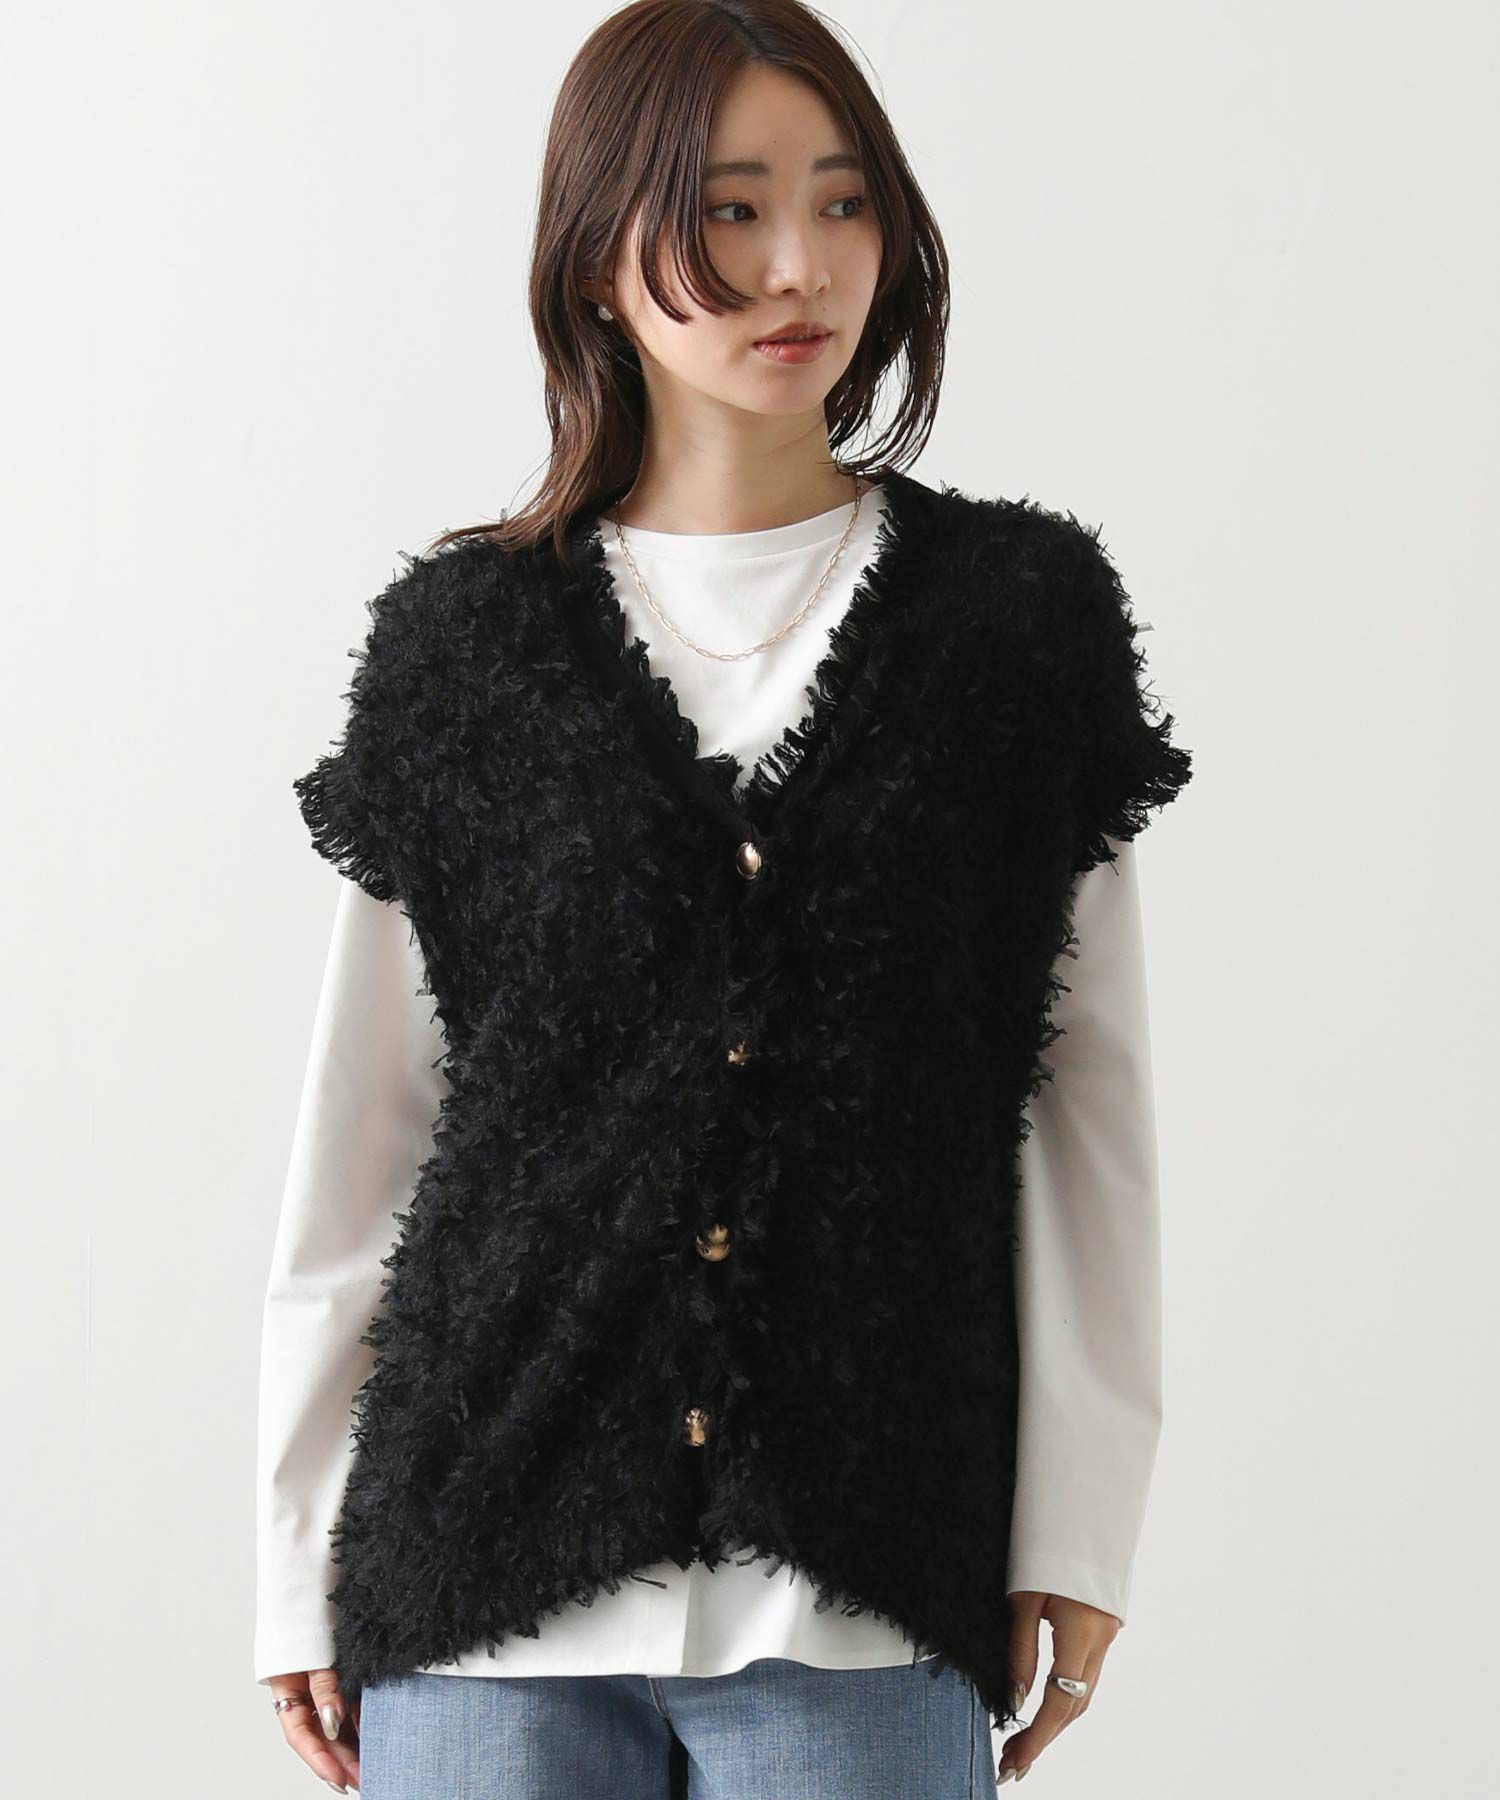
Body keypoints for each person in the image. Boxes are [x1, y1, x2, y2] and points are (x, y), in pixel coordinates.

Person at [257, 3, 1192, 1794]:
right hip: (481, 1595)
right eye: (730, 210)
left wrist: (1077, 1527)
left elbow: (1092, 1104)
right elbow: (371, 1134)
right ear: (595, 259)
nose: (798, 267)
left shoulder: (1014, 625)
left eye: (843, 204)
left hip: (863, 1583)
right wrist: (296, 1558)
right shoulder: (465, 649)